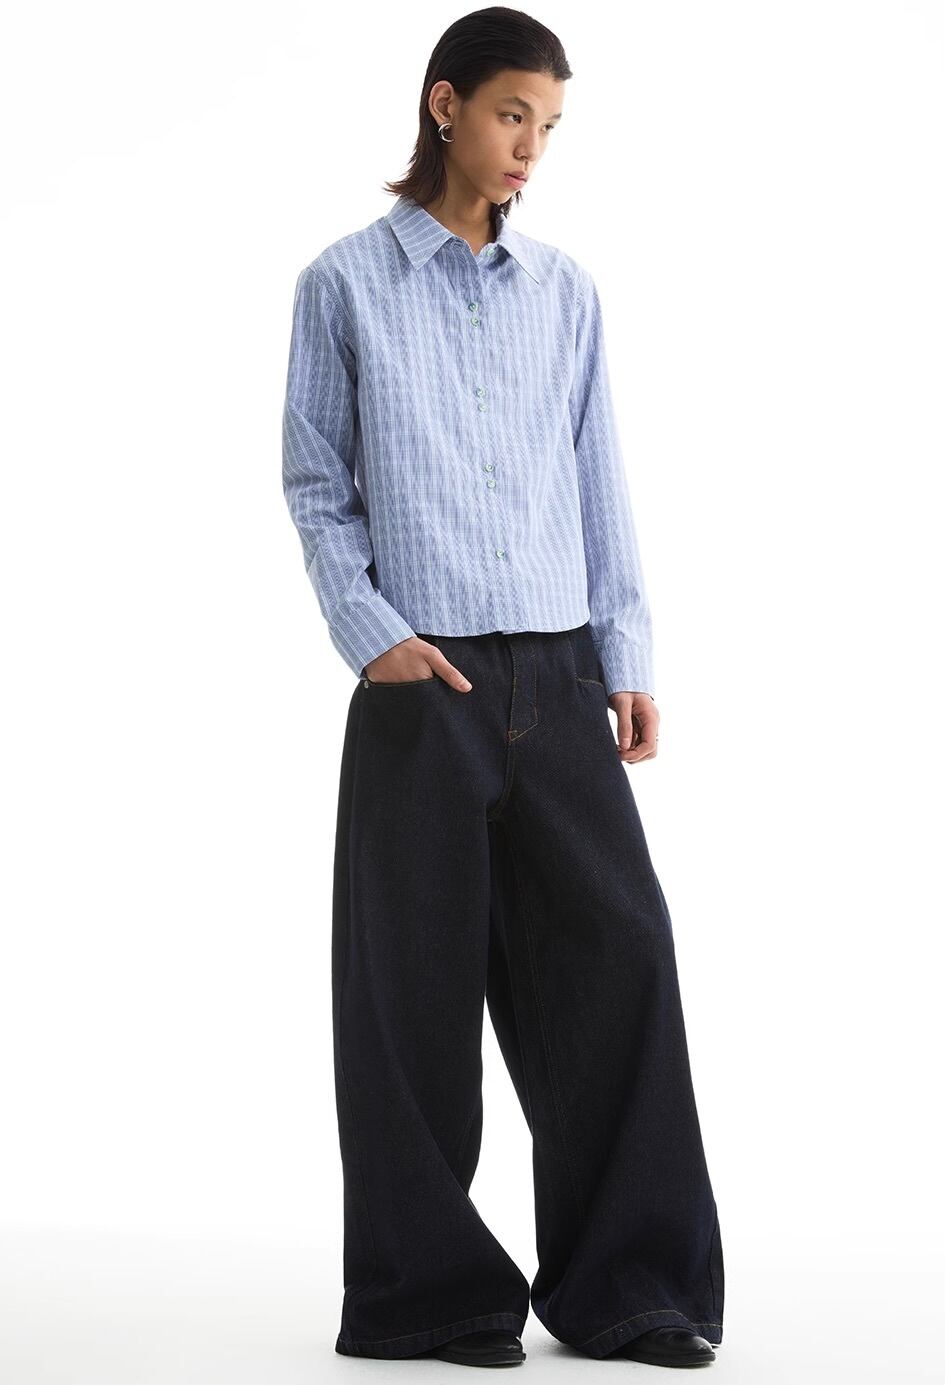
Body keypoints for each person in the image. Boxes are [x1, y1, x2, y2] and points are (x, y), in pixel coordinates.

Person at [281, 7, 724, 1371]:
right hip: (424, 680)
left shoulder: (565, 292)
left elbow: (600, 482)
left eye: (549, 125)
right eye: (511, 114)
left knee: (618, 965)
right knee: (407, 991)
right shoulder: (344, 284)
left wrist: (625, 655)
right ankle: (428, 1296)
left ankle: (630, 1286)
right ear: (445, 106)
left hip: (561, 672)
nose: (531, 146)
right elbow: (315, 480)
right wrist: (372, 634)